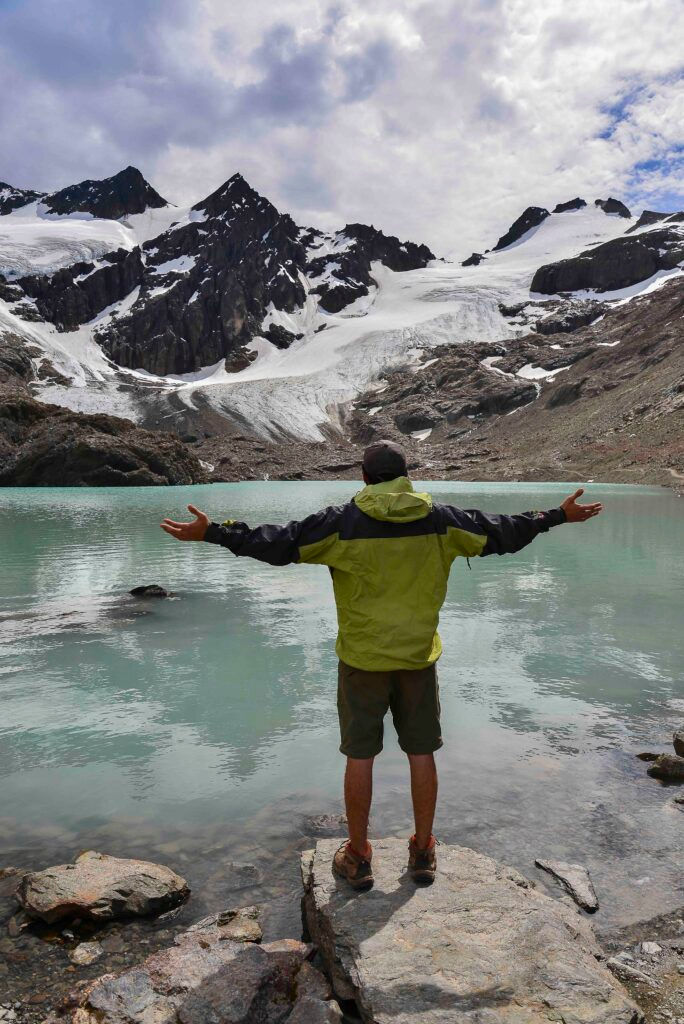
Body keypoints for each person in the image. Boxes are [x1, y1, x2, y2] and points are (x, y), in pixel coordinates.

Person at [161, 440, 603, 891]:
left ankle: (358, 856)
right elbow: (505, 531)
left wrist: (214, 532)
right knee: (421, 752)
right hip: (417, 660)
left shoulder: (340, 523)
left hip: (362, 662)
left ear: (365, 477)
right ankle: (423, 849)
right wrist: (557, 515)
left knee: (360, 756)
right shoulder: (442, 521)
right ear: (406, 475)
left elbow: (276, 542)